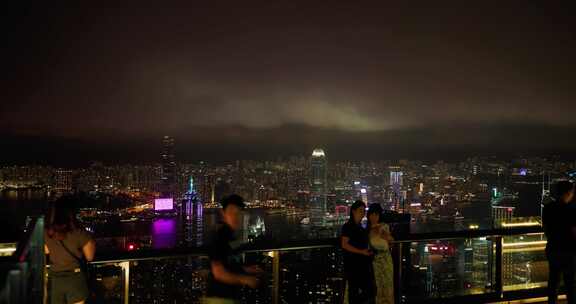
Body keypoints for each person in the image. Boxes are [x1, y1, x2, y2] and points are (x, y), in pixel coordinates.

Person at [204, 194, 261, 304]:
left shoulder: (228, 235)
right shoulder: (219, 236)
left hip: (227, 298)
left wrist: (246, 269)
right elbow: (219, 273)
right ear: (223, 213)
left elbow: (227, 263)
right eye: (231, 212)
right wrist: (245, 279)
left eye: (238, 213)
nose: (235, 217)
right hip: (218, 299)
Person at [45, 198, 96, 304]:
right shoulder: (79, 233)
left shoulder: (47, 233)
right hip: (75, 279)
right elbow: (90, 257)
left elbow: (45, 251)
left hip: (55, 280)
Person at [543, 180, 576, 304]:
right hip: (568, 250)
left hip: (553, 248)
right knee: (570, 284)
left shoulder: (548, 208)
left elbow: (546, 229)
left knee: (553, 281)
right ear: (568, 193)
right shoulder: (571, 210)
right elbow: (574, 232)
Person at [341, 200, 374, 304]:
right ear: (353, 211)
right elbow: (344, 244)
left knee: (364, 293)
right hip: (353, 265)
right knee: (355, 293)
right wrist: (361, 252)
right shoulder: (348, 226)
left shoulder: (361, 227)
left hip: (362, 265)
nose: (363, 213)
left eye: (364, 211)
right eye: (360, 210)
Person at [367, 203, 394, 304]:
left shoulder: (383, 226)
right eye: (371, 214)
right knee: (378, 288)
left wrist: (386, 237)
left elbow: (391, 241)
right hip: (374, 261)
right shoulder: (367, 229)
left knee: (388, 285)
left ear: (379, 215)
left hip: (386, 259)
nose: (373, 217)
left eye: (376, 214)